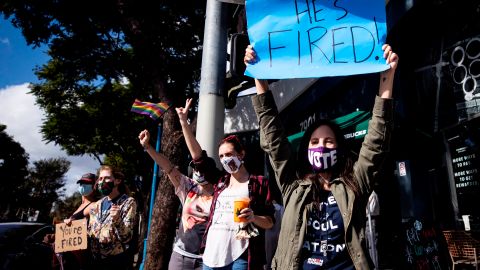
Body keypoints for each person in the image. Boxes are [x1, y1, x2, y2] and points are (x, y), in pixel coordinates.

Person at [246, 44, 398, 269]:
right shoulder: (293, 185)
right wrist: (259, 77)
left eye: (329, 142)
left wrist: (387, 77)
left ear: (339, 148)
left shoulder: (355, 183)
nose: (322, 147)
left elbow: (376, 142)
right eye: (315, 142)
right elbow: (274, 139)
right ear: (306, 150)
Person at [138, 98, 218, 270]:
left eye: (201, 170)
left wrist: (184, 122)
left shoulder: (221, 193)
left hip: (208, 260)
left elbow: (199, 157)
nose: (197, 173)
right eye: (194, 170)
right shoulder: (188, 188)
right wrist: (148, 147)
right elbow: (167, 167)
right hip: (181, 257)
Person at [201, 134, 275, 270]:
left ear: (241, 155)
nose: (225, 159)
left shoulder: (258, 183)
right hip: (211, 256)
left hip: (240, 256)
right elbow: (198, 158)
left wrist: (253, 217)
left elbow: (270, 222)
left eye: (229, 154)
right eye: (221, 156)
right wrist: (183, 122)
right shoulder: (220, 183)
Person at [44, 173, 99, 270]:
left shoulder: (93, 205)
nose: (82, 186)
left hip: (81, 258)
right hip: (70, 257)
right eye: (81, 183)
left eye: (87, 183)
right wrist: (55, 236)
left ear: (94, 186)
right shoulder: (80, 206)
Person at [87, 165, 137, 269]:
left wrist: (117, 219)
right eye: (100, 179)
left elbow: (126, 237)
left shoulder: (127, 202)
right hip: (97, 260)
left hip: (117, 260)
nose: (102, 181)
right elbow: (90, 233)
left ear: (117, 181)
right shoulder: (97, 205)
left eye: (106, 178)